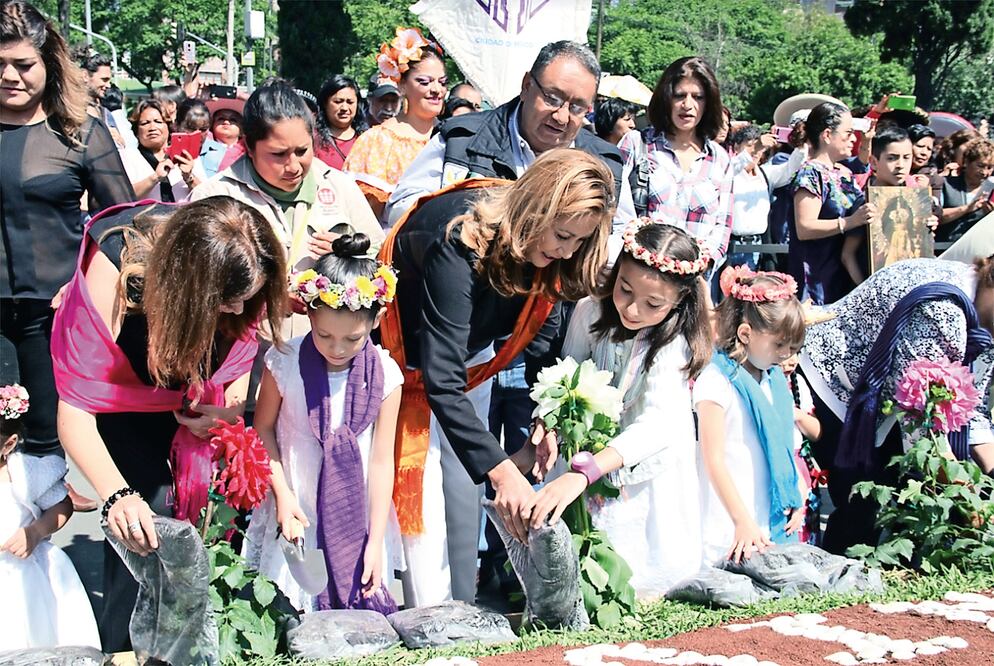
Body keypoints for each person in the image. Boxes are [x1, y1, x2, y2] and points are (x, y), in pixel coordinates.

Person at [51, 197, 288, 651]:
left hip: (196, 398)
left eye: (248, 298)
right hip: (120, 399)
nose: (239, 310)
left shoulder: (245, 264)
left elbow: (240, 357)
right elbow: (76, 411)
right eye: (227, 301)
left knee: (215, 527)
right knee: (145, 526)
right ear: (188, 287)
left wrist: (227, 410)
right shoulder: (117, 270)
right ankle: (125, 649)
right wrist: (117, 497)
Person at [380, 148, 615, 606]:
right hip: (405, 369)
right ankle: (426, 615)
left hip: (471, 365)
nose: (565, 252)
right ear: (535, 210)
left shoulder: (555, 253)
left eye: (578, 243)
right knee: (420, 507)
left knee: (466, 500)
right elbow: (441, 377)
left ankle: (464, 608)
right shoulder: (458, 239)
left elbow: (542, 346)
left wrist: (541, 423)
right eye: (562, 236)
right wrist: (505, 473)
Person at [525, 220, 712, 597]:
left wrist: (589, 470)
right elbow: (568, 370)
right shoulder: (592, 309)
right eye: (624, 290)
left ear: (679, 301)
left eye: (653, 304)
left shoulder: (673, 341)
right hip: (584, 456)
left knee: (638, 569)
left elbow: (657, 423)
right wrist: (547, 422)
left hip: (640, 466)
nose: (632, 308)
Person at [1, 0, 135, 473]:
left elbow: (123, 224)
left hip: (53, 314)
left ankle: (32, 543)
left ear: (48, 65)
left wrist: (87, 285)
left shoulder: (80, 134)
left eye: (22, 65)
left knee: (42, 444)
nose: (9, 76)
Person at [245, 234, 404, 614]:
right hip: (296, 497)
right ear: (310, 316)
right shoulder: (284, 361)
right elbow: (263, 428)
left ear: (376, 320)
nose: (336, 348)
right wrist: (282, 495)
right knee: (292, 602)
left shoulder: (385, 375)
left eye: (352, 338)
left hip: (358, 507)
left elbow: (382, 461)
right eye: (323, 335)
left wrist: (376, 538)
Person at [799, 255, 994, 554]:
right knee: (861, 500)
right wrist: (972, 503)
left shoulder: (985, 317)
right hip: (834, 379)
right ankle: (841, 586)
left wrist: (990, 474)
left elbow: (973, 410)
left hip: (888, 401)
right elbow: (924, 432)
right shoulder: (940, 309)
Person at [385, 40, 633, 230]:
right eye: (552, 98)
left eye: (577, 107)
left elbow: (620, 233)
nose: (561, 116)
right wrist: (475, 219)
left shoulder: (605, 164)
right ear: (526, 86)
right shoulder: (461, 139)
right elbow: (401, 208)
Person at [191, 78, 383, 281]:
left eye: (302, 151)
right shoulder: (213, 197)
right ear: (249, 146)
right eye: (279, 154)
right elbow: (197, 281)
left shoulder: (340, 186)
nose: (293, 166)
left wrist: (352, 256)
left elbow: (380, 259)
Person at [695, 268, 807, 565]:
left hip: (767, 515)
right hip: (729, 518)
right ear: (745, 334)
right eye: (779, 345)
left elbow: (785, 446)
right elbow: (713, 459)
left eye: (793, 347)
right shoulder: (716, 380)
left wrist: (797, 492)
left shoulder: (775, 380)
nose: (786, 355)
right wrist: (741, 520)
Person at [0, 336, 99, 651]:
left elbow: (62, 505)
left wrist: (36, 531)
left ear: (8, 444)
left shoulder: (23, 474)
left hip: (21, 581)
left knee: (27, 639)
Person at [618, 56, 734, 268]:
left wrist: (698, 268)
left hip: (692, 283)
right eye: (679, 95)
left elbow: (722, 228)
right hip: (639, 278)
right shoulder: (637, 144)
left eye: (697, 97)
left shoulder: (720, 159)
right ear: (666, 98)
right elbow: (616, 213)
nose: (687, 105)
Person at [344, 27, 447, 219]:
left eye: (442, 82)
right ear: (402, 85)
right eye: (425, 82)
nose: (436, 89)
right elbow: (365, 219)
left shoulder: (454, 136)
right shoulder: (377, 141)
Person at [789, 101, 879, 304]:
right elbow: (804, 227)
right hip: (816, 278)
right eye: (848, 133)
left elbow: (863, 164)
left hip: (841, 273)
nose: (853, 139)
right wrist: (850, 222)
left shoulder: (843, 172)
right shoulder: (810, 173)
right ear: (828, 135)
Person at [840, 125, 938, 286]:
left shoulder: (916, 199)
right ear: (874, 161)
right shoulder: (865, 201)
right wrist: (865, 291)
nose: (900, 165)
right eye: (892, 158)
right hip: (874, 290)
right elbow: (847, 255)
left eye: (906, 157)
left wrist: (927, 229)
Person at [724, 124, 805, 274]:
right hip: (730, 247)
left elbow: (790, 170)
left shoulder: (765, 174)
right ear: (736, 147)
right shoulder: (730, 171)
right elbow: (731, 167)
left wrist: (800, 146)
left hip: (757, 246)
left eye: (760, 148)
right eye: (749, 146)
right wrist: (757, 145)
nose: (755, 152)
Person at [119, 99, 202, 201]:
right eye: (145, 123)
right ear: (137, 130)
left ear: (168, 126)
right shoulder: (128, 157)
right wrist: (154, 178)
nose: (152, 127)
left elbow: (206, 195)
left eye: (158, 122)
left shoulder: (187, 155)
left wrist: (189, 177)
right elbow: (123, 198)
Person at [780, 353, 823, 545]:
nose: (792, 360)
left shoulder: (796, 383)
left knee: (804, 532)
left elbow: (816, 433)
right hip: (778, 464)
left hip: (800, 463)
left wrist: (797, 415)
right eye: (783, 349)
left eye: (796, 351)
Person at [939, 138, 994, 243]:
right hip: (944, 248)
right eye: (980, 166)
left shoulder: (992, 190)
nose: (985, 172)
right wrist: (966, 209)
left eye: (990, 167)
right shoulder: (945, 184)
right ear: (966, 162)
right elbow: (937, 217)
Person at [314, 74, 367, 170]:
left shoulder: (367, 138)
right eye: (338, 102)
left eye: (350, 102)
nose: (344, 108)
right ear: (325, 103)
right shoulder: (312, 139)